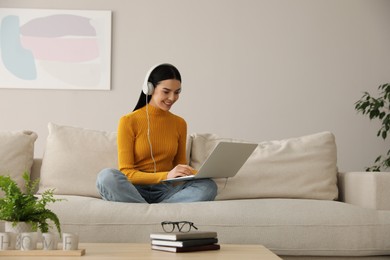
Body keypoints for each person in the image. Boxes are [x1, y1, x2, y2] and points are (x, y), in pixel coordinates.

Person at [96, 63, 217, 203]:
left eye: (177, 92)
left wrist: (199, 173)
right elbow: (127, 172)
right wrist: (166, 175)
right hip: (134, 189)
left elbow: (180, 167)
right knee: (106, 177)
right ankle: (156, 212)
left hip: (167, 190)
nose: (172, 98)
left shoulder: (179, 123)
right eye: (166, 91)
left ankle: (146, 211)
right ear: (150, 89)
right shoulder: (128, 121)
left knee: (208, 186)